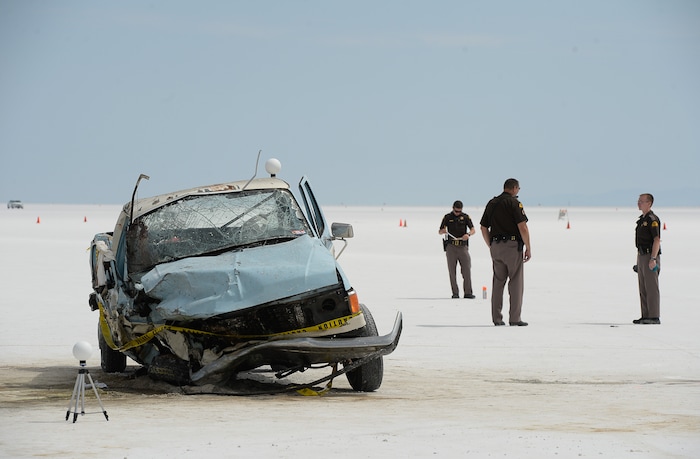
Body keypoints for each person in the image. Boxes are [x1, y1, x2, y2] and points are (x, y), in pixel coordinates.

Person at [479, 179, 531, 326]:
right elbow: (523, 227)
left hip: (495, 246)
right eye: (518, 188)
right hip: (512, 246)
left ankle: (497, 318)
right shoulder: (514, 203)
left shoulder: (492, 203)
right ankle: (514, 318)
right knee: (515, 282)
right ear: (514, 188)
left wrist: (491, 244)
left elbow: (483, 227)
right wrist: (528, 247)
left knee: (498, 282)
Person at [439, 200, 476, 299]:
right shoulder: (447, 217)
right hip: (451, 247)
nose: (457, 213)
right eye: (456, 211)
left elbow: (473, 229)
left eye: (459, 211)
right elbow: (440, 230)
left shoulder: (465, 217)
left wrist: (468, 234)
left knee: (466, 270)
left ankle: (468, 292)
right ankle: (455, 292)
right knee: (452, 270)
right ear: (453, 208)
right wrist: (443, 231)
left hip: (462, 246)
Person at [633, 193, 661, 324]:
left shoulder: (652, 219)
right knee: (643, 287)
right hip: (642, 256)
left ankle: (654, 316)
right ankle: (645, 315)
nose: (639, 203)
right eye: (638, 201)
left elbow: (656, 240)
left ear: (649, 203)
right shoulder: (641, 220)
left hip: (650, 256)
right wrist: (637, 262)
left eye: (641, 201)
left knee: (651, 287)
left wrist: (653, 258)